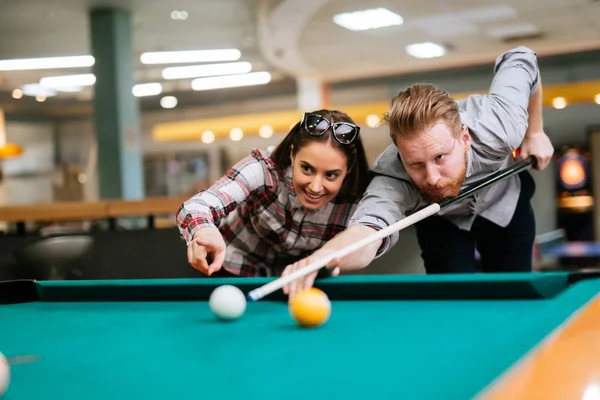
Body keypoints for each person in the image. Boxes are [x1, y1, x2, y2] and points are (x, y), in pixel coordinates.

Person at [282, 46, 555, 297]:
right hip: (441, 224)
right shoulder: (393, 175)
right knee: (451, 303)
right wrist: (326, 255)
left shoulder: (500, 125)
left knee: (512, 297)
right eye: (416, 164)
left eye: (440, 157)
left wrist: (536, 131)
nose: (432, 177)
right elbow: (368, 231)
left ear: (464, 138)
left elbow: (522, 57)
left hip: (505, 207)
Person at [176, 109, 370, 277]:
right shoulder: (263, 169)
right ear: (293, 154)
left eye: (331, 175)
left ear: (349, 169)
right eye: (307, 169)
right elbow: (196, 206)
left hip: (298, 276)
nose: (315, 187)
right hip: (230, 267)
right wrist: (206, 231)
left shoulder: (360, 198)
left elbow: (369, 239)